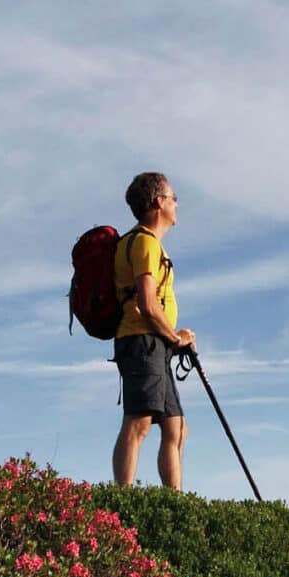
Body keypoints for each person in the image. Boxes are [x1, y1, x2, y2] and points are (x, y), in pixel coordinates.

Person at [111, 172, 196, 489]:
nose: (176, 205)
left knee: (176, 426)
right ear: (159, 202)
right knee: (139, 422)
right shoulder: (144, 242)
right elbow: (147, 304)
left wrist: (174, 340)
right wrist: (175, 339)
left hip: (153, 344)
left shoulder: (144, 242)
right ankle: (123, 500)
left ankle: (174, 504)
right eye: (174, 198)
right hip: (140, 341)